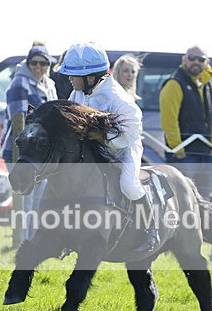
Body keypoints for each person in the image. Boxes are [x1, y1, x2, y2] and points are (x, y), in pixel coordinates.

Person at [59, 42, 158, 252]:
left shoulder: (118, 99)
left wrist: (98, 134)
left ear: (91, 78)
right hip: (94, 149)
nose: (69, 78)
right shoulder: (78, 93)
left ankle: (151, 229)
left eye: (73, 75)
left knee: (129, 186)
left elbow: (129, 133)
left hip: (124, 149)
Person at [1, 42, 57, 242]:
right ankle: (22, 242)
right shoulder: (19, 83)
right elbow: (20, 120)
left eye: (43, 63)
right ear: (28, 63)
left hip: (41, 153)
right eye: (34, 62)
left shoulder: (50, 85)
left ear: (48, 65)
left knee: (38, 201)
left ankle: (31, 243)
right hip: (19, 150)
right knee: (26, 198)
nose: (38, 67)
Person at [159, 45, 212, 199]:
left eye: (201, 59)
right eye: (192, 58)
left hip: (205, 153)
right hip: (184, 155)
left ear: (207, 62)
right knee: (182, 200)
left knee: (204, 202)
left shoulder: (208, 84)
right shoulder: (174, 83)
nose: (196, 62)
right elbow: (169, 121)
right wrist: (178, 149)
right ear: (184, 59)